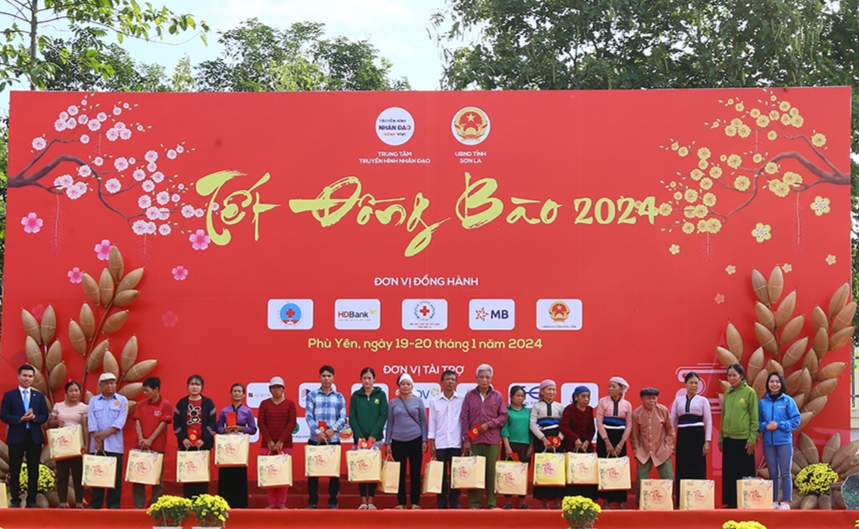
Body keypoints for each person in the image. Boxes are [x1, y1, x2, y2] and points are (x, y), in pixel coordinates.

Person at [460, 363, 508, 509]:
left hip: (492, 440)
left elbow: (503, 415)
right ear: (476, 378)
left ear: (491, 379)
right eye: (481, 377)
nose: (484, 380)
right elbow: (464, 418)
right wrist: (466, 439)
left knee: (491, 473)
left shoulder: (497, 396)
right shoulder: (469, 396)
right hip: (474, 440)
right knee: (475, 472)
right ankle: (475, 504)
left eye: (487, 377)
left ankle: (492, 503)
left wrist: (489, 424)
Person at [1, 364, 49, 508]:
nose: (27, 379)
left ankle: (31, 500)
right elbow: (4, 415)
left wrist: (34, 417)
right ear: (19, 376)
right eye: (25, 376)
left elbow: (44, 415)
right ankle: (15, 500)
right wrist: (20, 419)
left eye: (30, 376)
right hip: (16, 437)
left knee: (33, 470)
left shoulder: (39, 396)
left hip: (34, 438)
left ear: (33, 378)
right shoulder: (10, 395)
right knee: (15, 469)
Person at [305, 365, 347, 509]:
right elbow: (308, 416)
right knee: (313, 473)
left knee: (334, 474)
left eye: (329, 376)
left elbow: (343, 417)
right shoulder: (312, 395)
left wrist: (332, 430)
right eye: (324, 376)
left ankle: (333, 501)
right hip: (315, 439)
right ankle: (312, 501)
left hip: (333, 439)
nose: (326, 379)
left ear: (333, 378)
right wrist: (317, 432)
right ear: (319, 378)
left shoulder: (339, 397)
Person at [758, 371, 800, 509]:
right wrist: (765, 426)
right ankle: (774, 501)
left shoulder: (788, 400)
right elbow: (757, 422)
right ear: (768, 384)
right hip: (768, 443)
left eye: (777, 381)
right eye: (772, 381)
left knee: (785, 473)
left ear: (781, 384)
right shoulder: (762, 403)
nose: (774, 384)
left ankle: (786, 502)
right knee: (773, 473)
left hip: (784, 442)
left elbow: (796, 420)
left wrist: (779, 425)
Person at [385, 373, 428, 509]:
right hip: (397, 441)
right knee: (400, 473)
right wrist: (387, 442)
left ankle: (415, 502)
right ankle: (401, 502)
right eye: (403, 384)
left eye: (408, 384)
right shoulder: (393, 403)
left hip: (416, 439)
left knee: (415, 472)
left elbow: (423, 422)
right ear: (399, 386)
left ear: (412, 386)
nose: (405, 386)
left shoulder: (418, 401)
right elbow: (390, 423)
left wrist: (424, 440)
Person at [719, 364, 758, 508]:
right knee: (729, 473)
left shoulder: (750, 393)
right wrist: (721, 437)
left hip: (744, 440)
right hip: (729, 439)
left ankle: (746, 503)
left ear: (741, 376)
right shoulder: (728, 393)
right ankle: (731, 503)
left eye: (734, 375)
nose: (731, 378)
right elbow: (724, 416)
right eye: (729, 375)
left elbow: (754, 418)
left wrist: (752, 438)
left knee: (744, 473)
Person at [88, 372, 129, 509]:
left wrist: (102, 436)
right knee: (97, 475)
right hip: (96, 445)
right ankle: (96, 504)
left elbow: (119, 423)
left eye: (112, 383)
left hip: (114, 446)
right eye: (106, 383)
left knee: (115, 477)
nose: (109, 386)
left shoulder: (122, 400)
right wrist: (97, 439)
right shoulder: (93, 401)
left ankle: (113, 505)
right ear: (101, 385)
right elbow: (91, 422)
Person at [349, 367, 388, 510]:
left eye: (369, 378)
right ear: (361, 380)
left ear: (374, 379)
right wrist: (360, 436)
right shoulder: (356, 396)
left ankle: (371, 501)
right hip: (360, 440)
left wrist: (373, 435)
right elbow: (352, 417)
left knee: (373, 469)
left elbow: (383, 415)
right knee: (361, 469)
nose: (367, 381)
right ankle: (363, 501)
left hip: (375, 439)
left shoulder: (381, 395)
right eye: (364, 378)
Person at [173, 374, 217, 499]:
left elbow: (212, 424)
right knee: (188, 473)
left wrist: (203, 439)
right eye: (192, 384)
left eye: (197, 384)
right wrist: (183, 439)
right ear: (187, 386)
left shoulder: (208, 403)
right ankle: (187, 501)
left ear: (202, 387)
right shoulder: (181, 403)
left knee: (201, 474)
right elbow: (176, 424)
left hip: (203, 445)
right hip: (186, 445)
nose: (194, 387)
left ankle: (201, 502)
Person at [669, 372, 712, 497]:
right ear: (685, 384)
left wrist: (707, 441)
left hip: (697, 436)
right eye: (691, 382)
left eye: (696, 383)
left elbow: (708, 421)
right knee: (682, 466)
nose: (693, 385)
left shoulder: (703, 400)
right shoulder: (678, 400)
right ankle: (683, 498)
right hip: (683, 437)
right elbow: (672, 421)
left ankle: (698, 497)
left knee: (698, 466)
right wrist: (671, 441)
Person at [216, 383, 258, 509]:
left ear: (244, 395)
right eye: (235, 391)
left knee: (239, 473)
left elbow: (253, 429)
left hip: (240, 446)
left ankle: (240, 503)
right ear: (231, 393)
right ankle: (224, 503)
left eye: (239, 391)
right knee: (226, 472)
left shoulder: (247, 411)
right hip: (227, 445)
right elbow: (218, 427)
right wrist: (225, 430)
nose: (237, 393)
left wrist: (242, 428)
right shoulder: (224, 410)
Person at [630, 388, 675, 506]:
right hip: (644, 451)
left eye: (654, 398)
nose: (652, 401)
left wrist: (668, 446)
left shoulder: (663, 410)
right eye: (648, 398)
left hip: (662, 450)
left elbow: (670, 431)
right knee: (641, 479)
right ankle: (641, 504)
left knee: (668, 477)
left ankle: (667, 504)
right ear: (642, 399)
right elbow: (634, 436)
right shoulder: (636, 413)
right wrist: (637, 452)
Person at [48, 381, 88, 508]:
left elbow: (85, 427)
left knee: (78, 474)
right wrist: (56, 422)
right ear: (66, 393)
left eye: (76, 390)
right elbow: (49, 423)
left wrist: (87, 444)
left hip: (77, 445)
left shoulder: (84, 407)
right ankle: (62, 502)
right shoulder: (58, 406)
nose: (74, 393)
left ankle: (79, 502)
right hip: (62, 445)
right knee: (62, 474)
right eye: (71, 391)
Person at [256, 377, 294, 509]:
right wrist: (269, 441)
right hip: (267, 444)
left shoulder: (290, 404)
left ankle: (281, 503)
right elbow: (261, 423)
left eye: (279, 387)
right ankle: (272, 503)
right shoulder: (264, 404)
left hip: (285, 444)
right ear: (270, 389)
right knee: (270, 473)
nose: (276, 390)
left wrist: (281, 440)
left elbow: (292, 423)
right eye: (273, 387)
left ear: (283, 389)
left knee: (282, 473)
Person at [428, 369, 463, 509]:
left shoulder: (462, 399)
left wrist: (465, 440)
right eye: (447, 379)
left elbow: (464, 420)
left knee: (456, 474)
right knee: (440, 474)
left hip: (456, 441)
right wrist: (432, 442)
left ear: (456, 382)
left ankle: (455, 501)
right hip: (441, 442)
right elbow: (432, 422)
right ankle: (441, 502)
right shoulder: (435, 400)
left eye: (453, 379)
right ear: (441, 382)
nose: (450, 382)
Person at [596, 376, 633, 509]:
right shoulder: (603, 401)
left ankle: (619, 502)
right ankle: (606, 501)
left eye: (613, 386)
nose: (610, 389)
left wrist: (621, 443)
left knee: (619, 469)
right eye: (609, 386)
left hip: (619, 437)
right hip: (605, 437)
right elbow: (599, 422)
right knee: (605, 468)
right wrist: (606, 441)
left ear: (621, 389)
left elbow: (629, 425)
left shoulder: (627, 404)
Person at [530, 379, 565, 509]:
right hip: (541, 441)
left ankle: (557, 501)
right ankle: (544, 502)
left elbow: (564, 425)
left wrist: (559, 439)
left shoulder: (560, 407)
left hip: (557, 441)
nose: (551, 392)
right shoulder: (537, 407)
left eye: (554, 389)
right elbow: (532, 424)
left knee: (557, 469)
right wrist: (543, 439)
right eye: (549, 389)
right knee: (544, 469)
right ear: (542, 391)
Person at [560, 385, 598, 501]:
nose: (586, 399)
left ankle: (588, 501)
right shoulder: (569, 409)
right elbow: (563, 426)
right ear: (576, 397)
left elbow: (592, 429)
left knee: (587, 473)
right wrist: (575, 439)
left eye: (588, 397)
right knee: (573, 474)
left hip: (586, 448)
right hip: (572, 447)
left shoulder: (589, 410)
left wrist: (587, 441)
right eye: (583, 396)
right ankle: (571, 501)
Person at [501, 385, 532, 509]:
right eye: (517, 395)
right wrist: (507, 446)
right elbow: (504, 429)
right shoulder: (506, 410)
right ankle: (508, 502)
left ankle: (522, 503)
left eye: (522, 396)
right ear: (511, 396)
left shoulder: (528, 412)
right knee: (508, 473)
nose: (520, 398)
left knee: (523, 475)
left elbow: (532, 429)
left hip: (525, 445)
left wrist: (532, 446)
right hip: (510, 444)